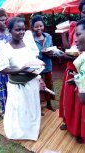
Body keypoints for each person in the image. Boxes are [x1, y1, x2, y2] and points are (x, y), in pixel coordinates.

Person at [0, 17, 44, 140]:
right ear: (10, 30)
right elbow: (2, 69)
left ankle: (32, 130)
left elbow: (33, 59)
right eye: (18, 30)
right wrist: (20, 70)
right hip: (16, 85)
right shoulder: (6, 48)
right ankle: (19, 132)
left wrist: (38, 66)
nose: (21, 32)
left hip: (32, 82)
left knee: (31, 106)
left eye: (23, 29)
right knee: (19, 108)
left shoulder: (28, 43)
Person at [59, 0, 85, 143]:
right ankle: (69, 123)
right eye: (84, 11)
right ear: (80, 12)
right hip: (72, 68)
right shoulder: (75, 27)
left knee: (81, 102)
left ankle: (80, 130)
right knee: (70, 99)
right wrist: (63, 35)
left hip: (81, 70)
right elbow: (70, 47)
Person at [31, 15, 55, 111]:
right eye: (36, 26)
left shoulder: (48, 37)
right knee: (37, 86)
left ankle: (49, 104)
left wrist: (51, 52)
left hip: (48, 65)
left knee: (49, 85)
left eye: (41, 26)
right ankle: (39, 107)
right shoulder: (30, 39)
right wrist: (41, 53)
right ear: (32, 28)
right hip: (37, 67)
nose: (39, 28)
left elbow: (51, 47)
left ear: (43, 26)